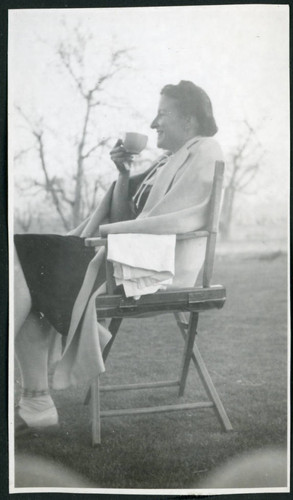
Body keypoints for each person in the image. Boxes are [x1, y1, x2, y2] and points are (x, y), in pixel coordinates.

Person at [14, 80, 223, 435]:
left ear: (188, 120)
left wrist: (111, 237)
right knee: (27, 264)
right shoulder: (166, 161)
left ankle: (37, 403)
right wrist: (124, 175)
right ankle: (36, 403)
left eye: (162, 114)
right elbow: (130, 216)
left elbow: (181, 221)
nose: (153, 123)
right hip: (129, 254)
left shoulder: (205, 151)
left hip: (157, 266)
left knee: (26, 256)